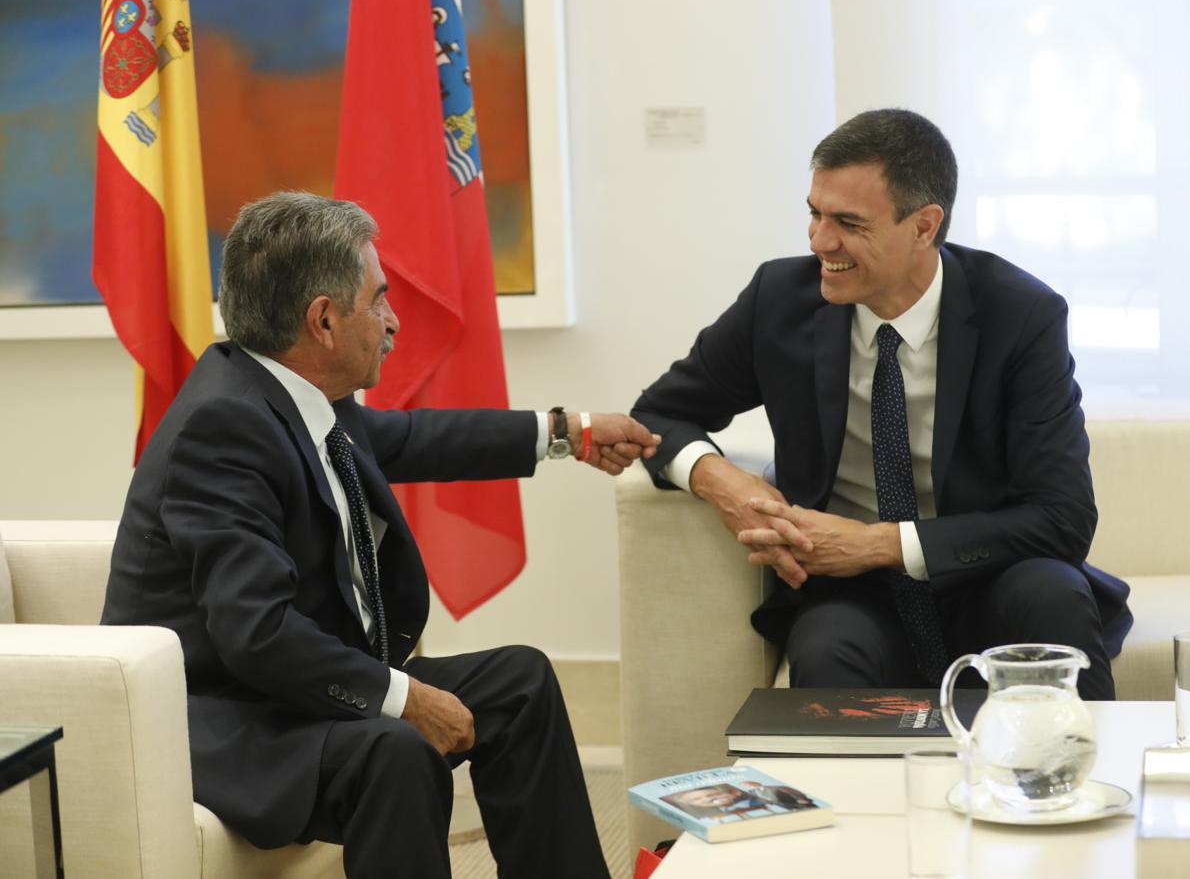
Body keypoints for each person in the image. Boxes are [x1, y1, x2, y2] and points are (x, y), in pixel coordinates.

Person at [102, 191, 658, 878]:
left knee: (520, 681)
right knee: (395, 751)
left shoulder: (295, 393)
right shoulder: (224, 428)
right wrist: (405, 698)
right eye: (380, 301)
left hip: (288, 689)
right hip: (230, 719)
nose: (393, 323)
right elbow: (257, 633)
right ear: (325, 320)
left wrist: (565, 432)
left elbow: (413, 438)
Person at [631, 109, 1131, 700]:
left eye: (848, 222)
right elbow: (655, 414)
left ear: (923, 226)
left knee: (1052, 596)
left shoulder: (1020, 316)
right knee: (825, 649)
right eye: (814, 214)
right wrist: (727, 485)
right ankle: (847, 797)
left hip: (989, 574)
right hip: (853, 593)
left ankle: (1086, 785)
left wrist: (878, 544)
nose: (821, 242)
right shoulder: (779, 300)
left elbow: (1063, 518)